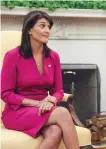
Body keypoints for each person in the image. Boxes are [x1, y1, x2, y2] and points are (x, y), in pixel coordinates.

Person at [1, 10, 79, 149]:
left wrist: (52, 100)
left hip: (44, 109)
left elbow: (58, 90)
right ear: (29, 29)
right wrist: (38, 104)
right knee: (62, 112)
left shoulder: (53, 56)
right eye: (42, 26)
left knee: (56, 132)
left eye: (49, 27)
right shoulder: (13, 56)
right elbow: (6, 93)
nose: (47, 30)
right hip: (17, 112)